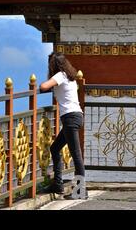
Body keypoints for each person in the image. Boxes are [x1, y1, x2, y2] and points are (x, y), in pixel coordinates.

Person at [39, 52, 87, 199]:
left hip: (70, 118)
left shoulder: (60, 75)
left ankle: (81, 191)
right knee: (55, 148)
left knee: (76, 155)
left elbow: (43, 87)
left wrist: (50, 81)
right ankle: (58, 184)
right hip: (77, 116)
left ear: (54, 64)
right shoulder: (71, 77)